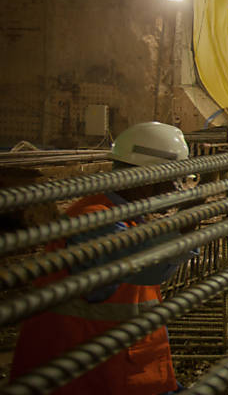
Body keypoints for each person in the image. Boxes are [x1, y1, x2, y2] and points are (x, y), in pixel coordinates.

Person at [11, 122, 195, 395]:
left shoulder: (126, 218)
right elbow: (144, 268)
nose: (174, 188)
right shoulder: (94, 220)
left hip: (125, 375)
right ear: (148, 177)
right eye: (172, 179)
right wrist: (184, 229)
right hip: (85, 382)